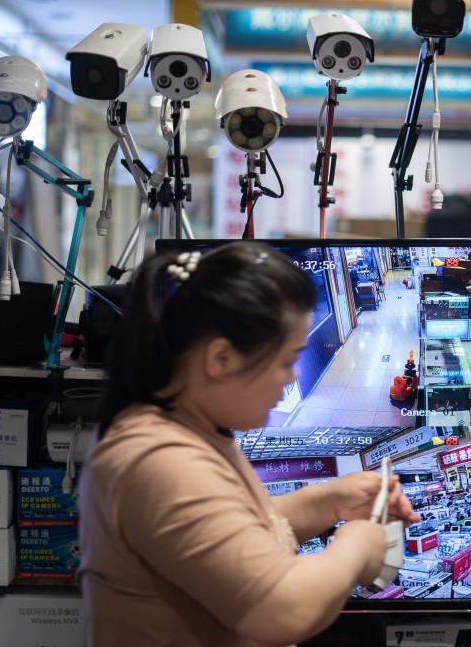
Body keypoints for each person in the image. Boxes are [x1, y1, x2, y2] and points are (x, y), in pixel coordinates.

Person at [78, 242, 420, 647]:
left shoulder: (192, 430)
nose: (292, 377)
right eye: (285, 360)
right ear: (220, 358)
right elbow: (283, 609)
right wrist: (359, 545)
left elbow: (230, 532)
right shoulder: (159, 461)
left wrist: (331, 501)